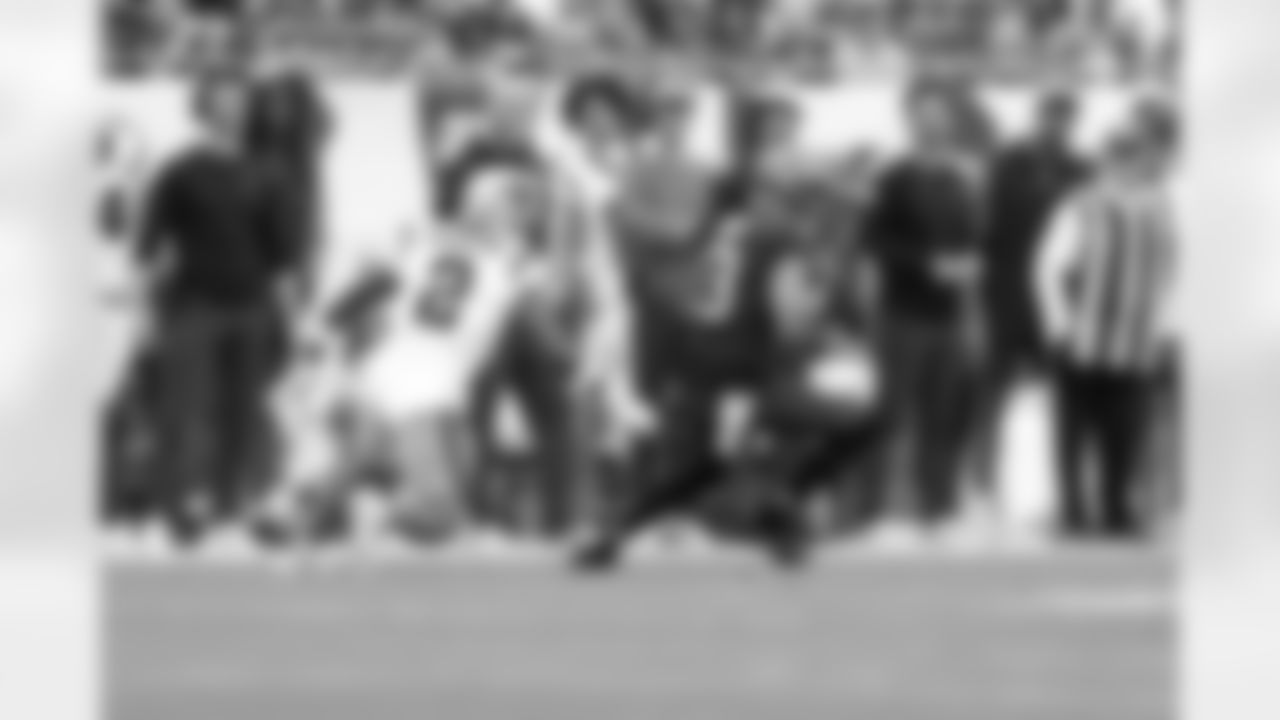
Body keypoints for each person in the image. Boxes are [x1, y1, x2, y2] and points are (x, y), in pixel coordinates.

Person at [256, 141, 550, 545]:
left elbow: (378, 280)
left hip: (395, 373)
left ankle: (298, 504)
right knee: (437, 510)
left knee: (384, 454)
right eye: (515, 209)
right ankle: (359, 512)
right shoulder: (509, 263)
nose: (521, 217)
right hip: (423, 386)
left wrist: (323, 323)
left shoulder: (429, 242)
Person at [138, 69, 302, 543]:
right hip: (195, 307)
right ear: (204, 106)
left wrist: (295, 319)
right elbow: (149, 247)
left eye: (242, 98)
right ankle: (182, 508)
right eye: (225, 98)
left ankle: (241, 506)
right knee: (186, 410)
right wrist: (144, 316)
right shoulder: (178, 172)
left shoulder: (267, 172)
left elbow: (282, 256)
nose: (236, 107)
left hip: (252, 309)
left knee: (247, 412)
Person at [1033, 118, 1177, 539]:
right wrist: (1058, 326)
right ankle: (1072, 510)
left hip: (1134, 340)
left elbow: (1170, 272)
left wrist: (1164, 327)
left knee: (1124, 430)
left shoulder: (1159, 210)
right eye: (1118, 155)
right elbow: (1048, 267)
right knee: (1073, 430)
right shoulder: (1080, 205)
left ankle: (1117, 509)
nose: (1126, 165)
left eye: (1133, 156)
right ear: (1105, 160)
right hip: (1082, 336)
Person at [861, 80, 986, 542]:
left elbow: (972, 238)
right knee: (892, 415)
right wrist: (926, 263)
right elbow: (874, 241)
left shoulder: (961, 179)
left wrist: (971, 265)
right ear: (911, 121)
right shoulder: (892, 177)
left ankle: (938, 509)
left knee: (942, 415)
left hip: (948, 317)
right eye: (926, 116)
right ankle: (877, 511)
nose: (934, 124)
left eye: (941, 116)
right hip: (903, 314)